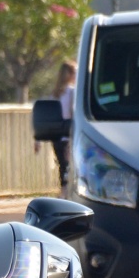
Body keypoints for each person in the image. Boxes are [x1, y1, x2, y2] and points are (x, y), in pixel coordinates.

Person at [45, 60, 77, 188]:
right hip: (67, 135)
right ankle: (65, 193)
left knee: (62, 166)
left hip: (56, 136)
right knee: (68, 166)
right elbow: (73, 113)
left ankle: (63, 190)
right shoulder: (71, 92)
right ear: (69, 75)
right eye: (75, 72)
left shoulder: (54, 94)